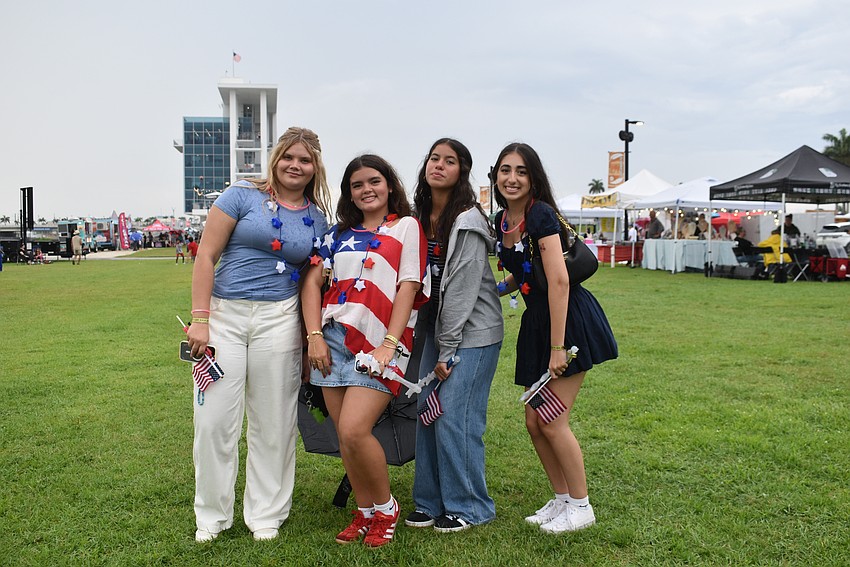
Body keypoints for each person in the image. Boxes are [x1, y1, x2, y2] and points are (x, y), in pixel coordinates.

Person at [185, 127, 332, 543]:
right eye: (289, 157)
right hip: (224, 316)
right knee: (214, 420)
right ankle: (211, 515)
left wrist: (310, 336)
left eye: (305, 160)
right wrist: (201, 318)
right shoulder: (240, 195)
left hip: (280, 320)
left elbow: (312, 283)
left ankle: (266, 513)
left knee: (274, 420)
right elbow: (206, 256)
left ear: (314, 167)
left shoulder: (318, 218)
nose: (295, 165)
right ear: (276, 158)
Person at [301, 154, 429, 548]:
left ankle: (387, 507)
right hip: (331, 339)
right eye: (357, 185)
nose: (366, 189)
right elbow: (311, 284)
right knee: (344, 436)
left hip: (378, 343)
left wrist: (389, 344)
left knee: (356, 429)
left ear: (389, 185)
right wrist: (313, 336)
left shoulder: (406, 226)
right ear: (349, 194)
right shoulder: (337, 235)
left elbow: (408, 285)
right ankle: (365, 509)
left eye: (374, 181)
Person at [493, 142, 618, 534]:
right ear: (495, 176)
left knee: (552, 420)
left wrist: (558, 347)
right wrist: (497, 288)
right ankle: (562, 498)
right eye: (505, 170)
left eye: (521, 171)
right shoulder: (502, 219)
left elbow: (560, 280)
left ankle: (581, 507)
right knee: (533, 421)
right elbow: (527, 269)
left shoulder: (540, 214)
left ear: (533, 178)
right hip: (538, 321)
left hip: (566, 322)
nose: (512, 178)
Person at [405, 139, 503, 533]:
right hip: (435, 328)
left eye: (450, 161)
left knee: (455, 417)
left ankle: (471, 506)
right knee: (426, 413)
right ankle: (429, 502)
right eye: (434, 158)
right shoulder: (418, 216)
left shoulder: (468, 220)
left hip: (473, 332)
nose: (439, 166)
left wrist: (446, 351)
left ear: (462, 171)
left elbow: (461, 294)